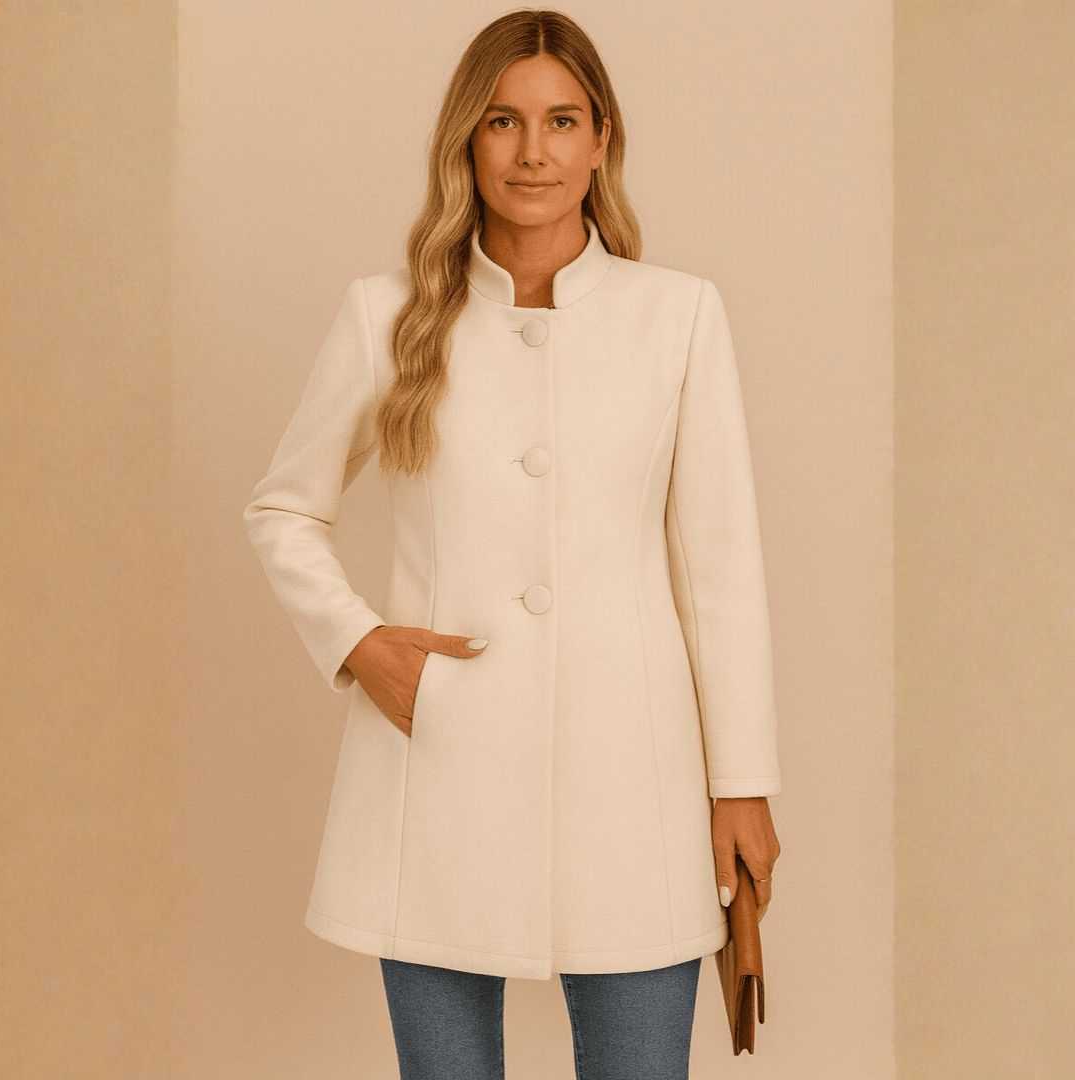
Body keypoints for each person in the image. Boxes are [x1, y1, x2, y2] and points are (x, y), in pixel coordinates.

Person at [244, 9, 780, 1078]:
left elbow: (720, 571)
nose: (533, 151)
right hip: (437, 774)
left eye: (561, 121)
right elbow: (282, 508)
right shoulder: (386, 315)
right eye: (503, 121)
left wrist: (743, 781)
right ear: (468, 139)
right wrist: (357, 641)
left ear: (602, 139)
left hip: (635, 782)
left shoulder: (677, 316)